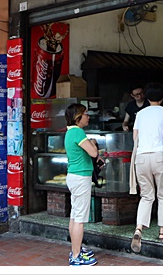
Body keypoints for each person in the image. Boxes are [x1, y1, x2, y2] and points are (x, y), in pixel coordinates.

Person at [130, 82, 163, 253]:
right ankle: (162, 231)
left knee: (146, 196)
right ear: (162, 98)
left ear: (147, 98)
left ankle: (138, 229)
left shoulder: (140, 114)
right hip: (160, 157)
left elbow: (135, 138)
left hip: (141, 158)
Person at [64, 103, 104, 266]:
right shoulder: (78, 132)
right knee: (79, 218)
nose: (88, 117)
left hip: (74, 176)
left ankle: (76, 249)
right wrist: (93, 142)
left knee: (75, 215)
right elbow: (93, 152)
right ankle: (76, 256)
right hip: (81, 178)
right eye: (86, 114)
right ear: (77, 117)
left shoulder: (70, 132)